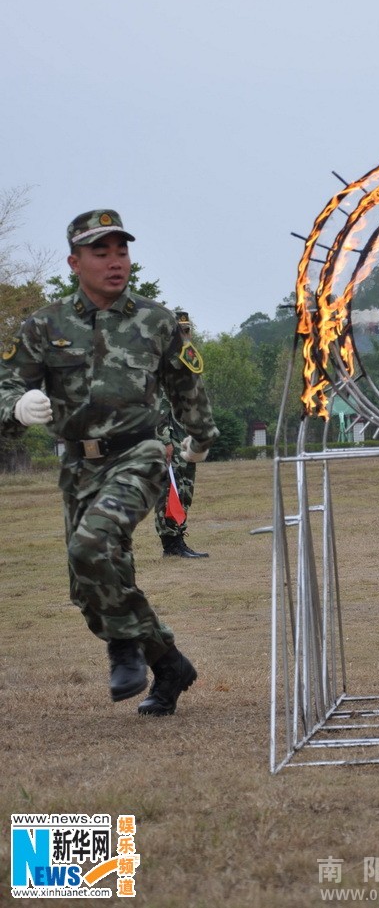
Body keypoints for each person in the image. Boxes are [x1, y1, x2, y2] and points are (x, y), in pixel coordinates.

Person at [0, 209, 218, 716]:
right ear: (75, 261)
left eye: (121, 250)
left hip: (140, 454)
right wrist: (15, 406)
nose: (115, 262)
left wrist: (200, 439)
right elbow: (7, 383)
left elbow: (186, 385)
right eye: (102, 252)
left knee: (92, 544)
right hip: (78, 466)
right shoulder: (43, 326)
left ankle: (124, 648)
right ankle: (170, 665)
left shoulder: (156, 320)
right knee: (89, 584)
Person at [154, 310, 209, 559]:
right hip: (168, 436)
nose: (185, 335)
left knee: (185, 488)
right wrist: (164, 441)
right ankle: (171, 544)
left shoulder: (185, 360)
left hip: (185, 436)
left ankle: (179, 538)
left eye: (187, 330)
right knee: (170, 488)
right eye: (180, 331)